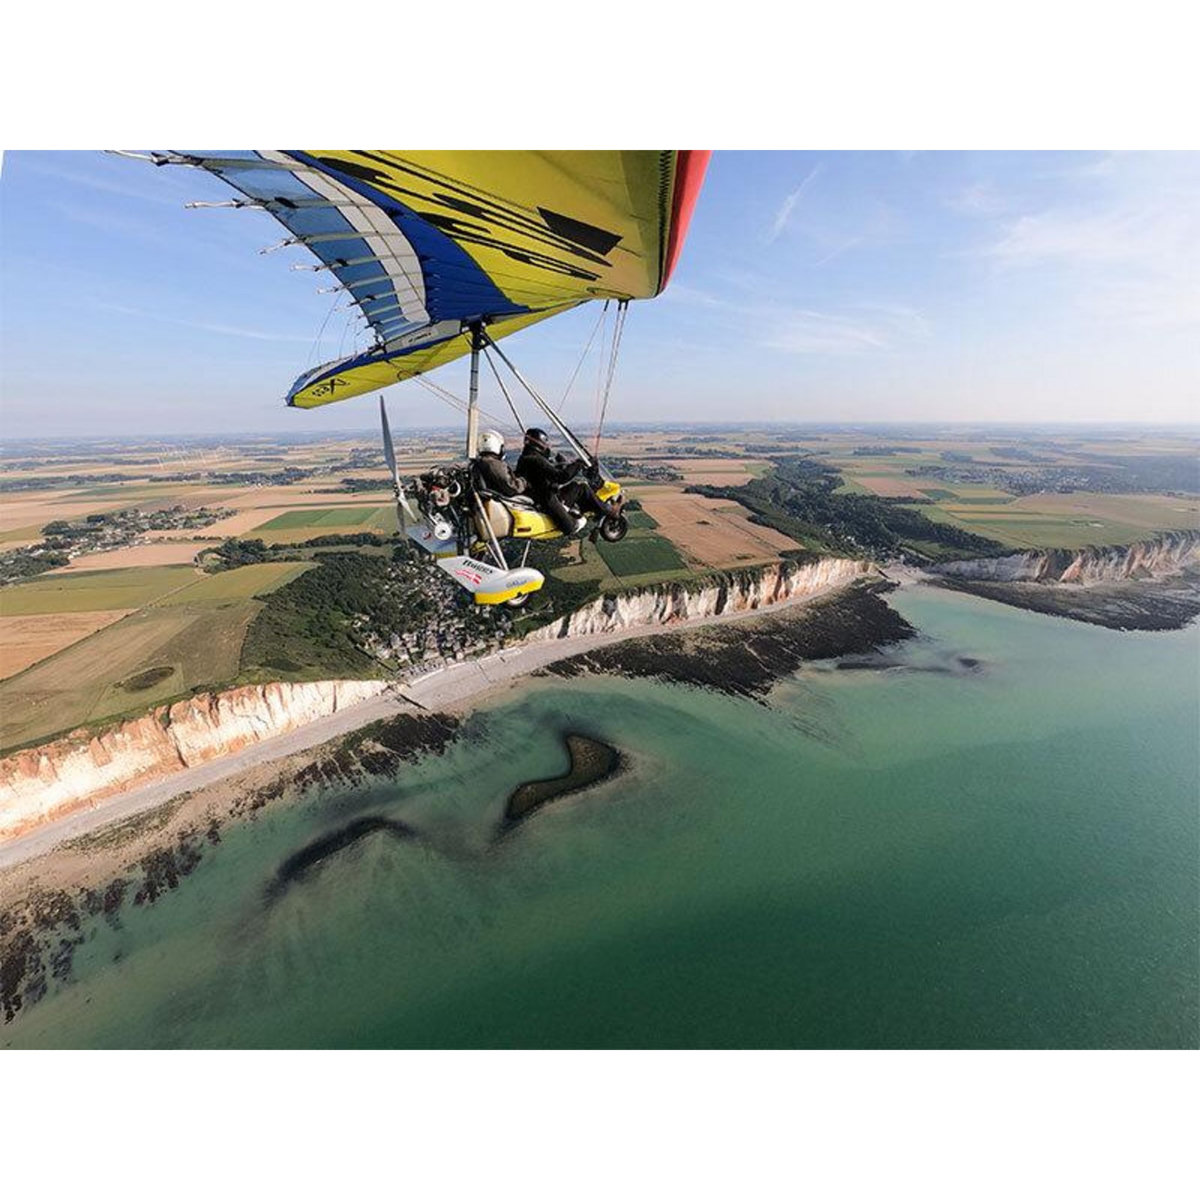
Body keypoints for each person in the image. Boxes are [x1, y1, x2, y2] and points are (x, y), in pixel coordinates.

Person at [516, 427, 612, 535]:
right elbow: (561, 477)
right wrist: (578, 464)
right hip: (544, 500)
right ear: (539, 444)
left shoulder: (526, 457)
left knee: (581, 488)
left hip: (547, 494)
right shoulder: (534, 459)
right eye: (545, 444)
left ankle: (602, 510)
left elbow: (549, 472)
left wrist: (564, 465)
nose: (547, 447)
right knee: (570, 527)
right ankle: (609, 512)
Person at [471, 430, 526, 498]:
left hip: (488, 498)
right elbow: (513, 488)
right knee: (529, 501)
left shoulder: (479, 462)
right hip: (498, 500)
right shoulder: (494, 464)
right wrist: (524, 482)